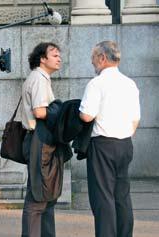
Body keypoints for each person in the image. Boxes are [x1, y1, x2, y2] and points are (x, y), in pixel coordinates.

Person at [79, 41, 140, 237]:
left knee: (103, 197)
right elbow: (135, 119)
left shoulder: (96, 83)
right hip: (125, 143)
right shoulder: (130, 83)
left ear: (102, 58)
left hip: (103, 145)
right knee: (122, 196)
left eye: (93, 59)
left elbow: (87, 116)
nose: (92, 62)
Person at [21, 42, 61, 237]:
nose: (59, 58)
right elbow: (39, 111)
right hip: (39, 141)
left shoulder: (41, 78)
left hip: (40, 140)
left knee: (46, 197)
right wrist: (60, 114)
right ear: (42, 59)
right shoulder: (38, 78)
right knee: (37, 197)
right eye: (54, 55)